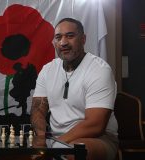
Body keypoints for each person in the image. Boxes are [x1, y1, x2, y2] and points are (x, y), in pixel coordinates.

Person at [30, 18, 118, 160]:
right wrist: (40, 139)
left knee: (73, 152)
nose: (63, 42)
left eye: (70, 36)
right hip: (55, 139)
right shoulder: (48, 70)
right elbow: (37, 109)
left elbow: (95, 125)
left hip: (98, 138)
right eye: (58, 37)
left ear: (83, 39)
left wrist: (56, 146)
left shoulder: (99, 70)